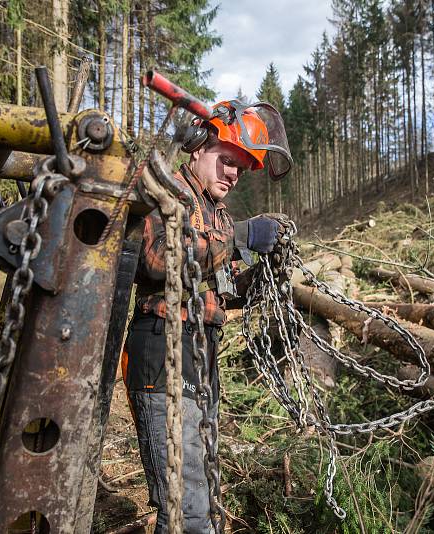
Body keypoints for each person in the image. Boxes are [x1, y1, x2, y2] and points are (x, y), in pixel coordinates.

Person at [121, 100, 293, 533]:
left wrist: (265, 274)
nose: (234, 174)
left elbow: (223, 288)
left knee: (200, 499)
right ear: (198, 147)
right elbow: (158, 258)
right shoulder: (165, 189)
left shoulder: (215, 213)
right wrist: (241, 236)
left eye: (241, 167)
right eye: (228, 160)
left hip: (201, 357)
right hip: (162, 350)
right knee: (187, 511)